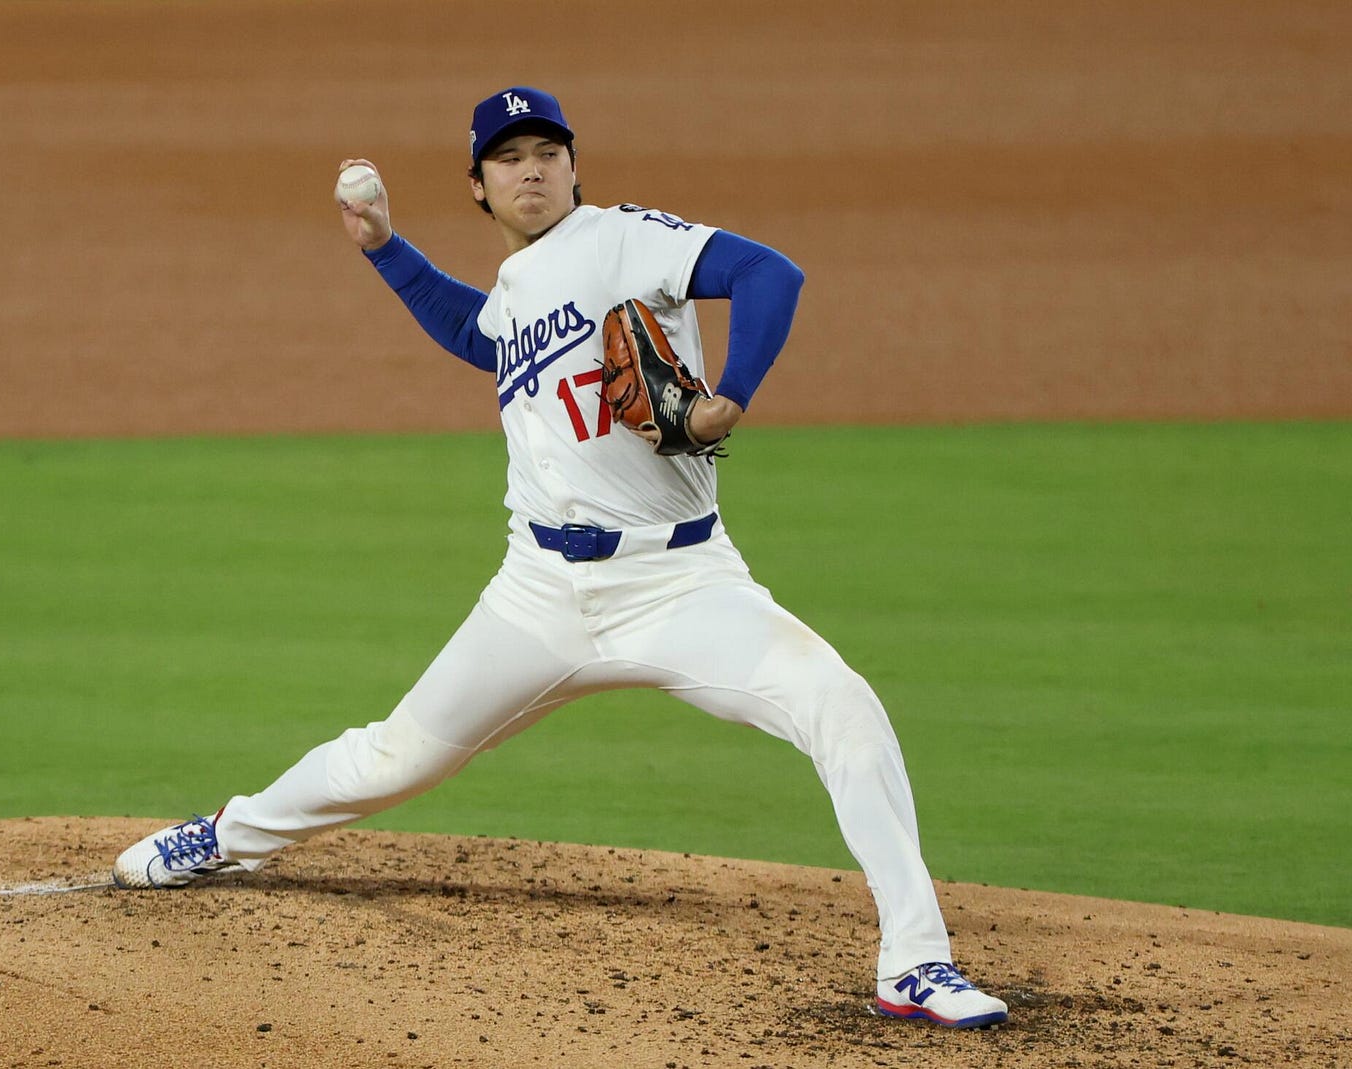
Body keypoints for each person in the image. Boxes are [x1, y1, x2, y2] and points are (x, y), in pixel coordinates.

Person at [113, 86, 1009, 1030]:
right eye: (508, 157)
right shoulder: (517, 289)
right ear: (479, 186)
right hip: (537, 594)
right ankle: (227, 834)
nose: (531, 169)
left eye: (547, 151)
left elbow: (770, 273)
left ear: (575, 167)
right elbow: (479, 334)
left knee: (842, 705)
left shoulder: (625, 239)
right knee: (393, 758)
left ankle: (916, 961)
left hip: (680, 583)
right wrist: (384, 247)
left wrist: (731, 397)